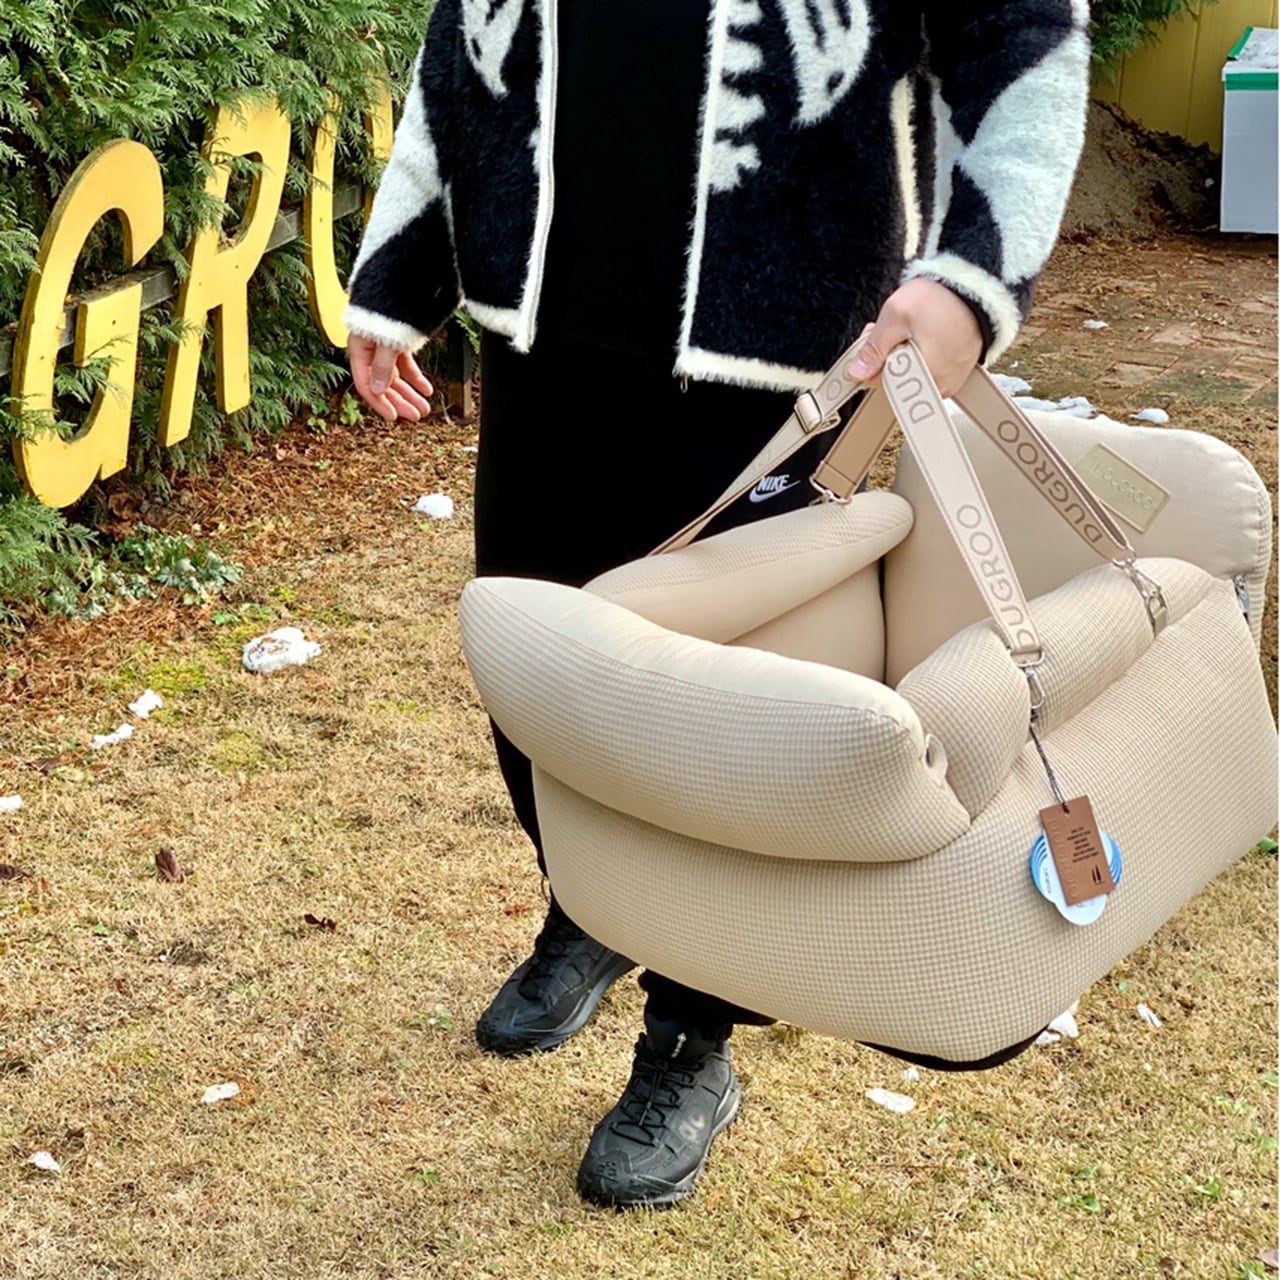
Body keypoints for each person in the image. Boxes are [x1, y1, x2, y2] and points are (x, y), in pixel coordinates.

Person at [344, 0, 1091, 1209]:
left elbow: (1025, 32)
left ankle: (691, 1034)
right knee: (536, 680)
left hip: (779, 371)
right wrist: (398, 279)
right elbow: (462, 50)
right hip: (542, 351)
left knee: (729, 733)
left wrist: (967, 278)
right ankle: (592, 900)